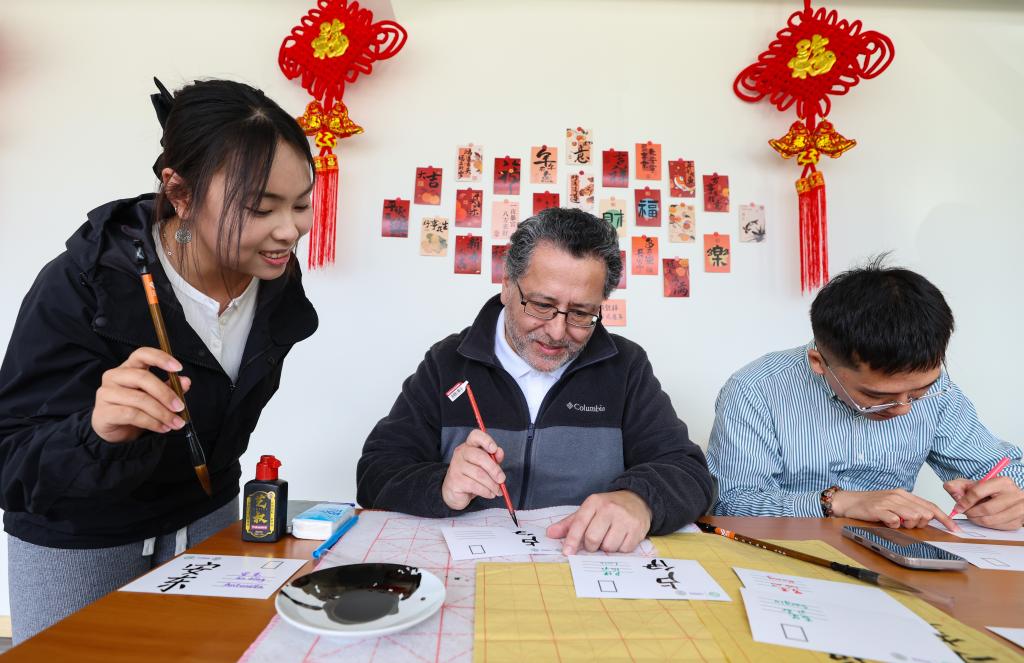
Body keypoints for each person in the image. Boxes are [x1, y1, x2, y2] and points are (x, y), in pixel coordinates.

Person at [0, 78, 319, 642]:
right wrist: (96, 432)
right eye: (260, 208)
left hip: (208, 521)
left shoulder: (274, 281)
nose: (289, 230)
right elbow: (10, 458)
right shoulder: (85, 285)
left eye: (301, 204)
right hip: (83, 542)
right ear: (179, 192)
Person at [358, 208, 714, 555]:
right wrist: (442, 485)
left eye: (581, 313)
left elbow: (690, 473)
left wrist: (640, 500)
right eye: (542, 305)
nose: (557, 332)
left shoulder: (625, 367)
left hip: (581, 562)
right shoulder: (448, 362)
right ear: (507, 285)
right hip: (472, 566)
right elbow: (375, 472)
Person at [707, 257, 1024, 530]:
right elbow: (732, 504)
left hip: (893, 553)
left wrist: (1010, 499)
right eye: (877, 396)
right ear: (819, 363)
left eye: (918, 392)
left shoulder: (938, 392)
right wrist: (837, 502)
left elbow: (1003, 468)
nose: (903, 408)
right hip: (785, 553)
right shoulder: (757, 389)